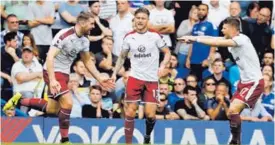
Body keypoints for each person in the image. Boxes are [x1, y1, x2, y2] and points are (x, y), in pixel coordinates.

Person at [3, 12, 114, 144]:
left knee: (52, 109)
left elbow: (87, 61)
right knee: (68, 103)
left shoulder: (84, 40)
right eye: (91, 23)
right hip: (52, 71)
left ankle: (19, 100)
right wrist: (52, 79)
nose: (93, 26)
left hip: (64, 74)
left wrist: (99, 78)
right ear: (82, 23)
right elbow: (50, 57)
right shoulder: (64, 35)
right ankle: (65, 140)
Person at [178, 17, 264, 145]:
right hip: (244, 82)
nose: (222, 31)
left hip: (254, 82)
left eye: (224, 28)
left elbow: (217, 43)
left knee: (233, 111)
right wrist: (193, 38)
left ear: (232, 28)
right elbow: (215, 39)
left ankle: (235, 142)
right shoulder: (231, 39)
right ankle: (235, 140)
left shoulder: (242, 39)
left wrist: (195, 39)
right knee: (231, 114)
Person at [111, 7, 171, 144]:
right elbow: (122, 57)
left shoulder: (155, 36)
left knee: (150, 115)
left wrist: (162, 65)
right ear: (134, 20)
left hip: (151, 80)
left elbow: (167, 52)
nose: (140, 21)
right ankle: (128, 142)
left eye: (143, 18)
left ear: (147, 21)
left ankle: (147, 136)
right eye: (138, 18)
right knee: (130, 112)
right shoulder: (129, 37)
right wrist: (114, 73)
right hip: (134, 78)